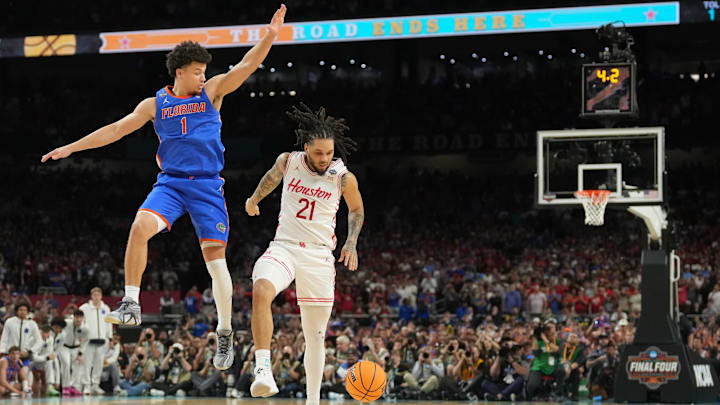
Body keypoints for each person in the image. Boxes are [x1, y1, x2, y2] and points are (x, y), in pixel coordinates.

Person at [40, 4, 287, 371]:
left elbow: (247, 66)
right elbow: (115, 130)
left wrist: (268, 36)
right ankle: (130, 306)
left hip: (206, 187)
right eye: (198, 72)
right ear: (180, 72)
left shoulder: (213, 92)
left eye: (205, 71)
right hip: (170, 184)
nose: (204, 77)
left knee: (217, 266)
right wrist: (72, 147)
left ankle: (223, 332)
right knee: (139, 228)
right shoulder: (155, 104)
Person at [245, 103, 365, 405]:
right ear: (307, 147)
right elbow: (270, 178)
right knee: (261, 289)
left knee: (315, 336)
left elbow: (357, 209)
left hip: (319, 256)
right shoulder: (289, 161)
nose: (324, 159)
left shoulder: (343, 176)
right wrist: (253, 199)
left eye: (329, 153)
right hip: (284, 247)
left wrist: (351, 242)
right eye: (318, 153)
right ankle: (263, 369)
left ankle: (312, 402)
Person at [0, 302, 41, 392]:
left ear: (28, 312)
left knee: (24, 373)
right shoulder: (10, 322)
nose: (23, 312)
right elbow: (4, 338)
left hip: (24, 355)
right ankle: (10, 389)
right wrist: (3, 352)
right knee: (9, 376)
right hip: (10, 355)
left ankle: (27, 389)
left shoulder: (32, 324)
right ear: (16, 311)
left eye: (25, 310)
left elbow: (39, 341)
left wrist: (30, 351)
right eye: (20, 310)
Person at [79, 287, 113, 395]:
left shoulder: (106, 308)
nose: (96, 297)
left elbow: (109, 324)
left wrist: (110, 338)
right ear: (91, 296)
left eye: (98, 295)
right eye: (94, 295)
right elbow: (78, 321)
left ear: (101, 296)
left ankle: (95, 385)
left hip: (102, 340)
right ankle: (87, 386)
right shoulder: (85, 308)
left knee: (99, 365)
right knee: (87, 365)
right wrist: (80, 334)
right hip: (88, 340)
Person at [56, 310, 89, 395]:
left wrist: (80, 353)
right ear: (73, 317)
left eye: (80, 318)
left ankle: (74, 387)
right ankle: (65, 387)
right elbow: (57, 328)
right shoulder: (66, 323)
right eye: (76, 317)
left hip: (76, 348)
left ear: (83, 318)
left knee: (77, 367)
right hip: (64, 347)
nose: (78, 320)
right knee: (66, 364)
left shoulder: (85, 328)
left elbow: (85, 342)